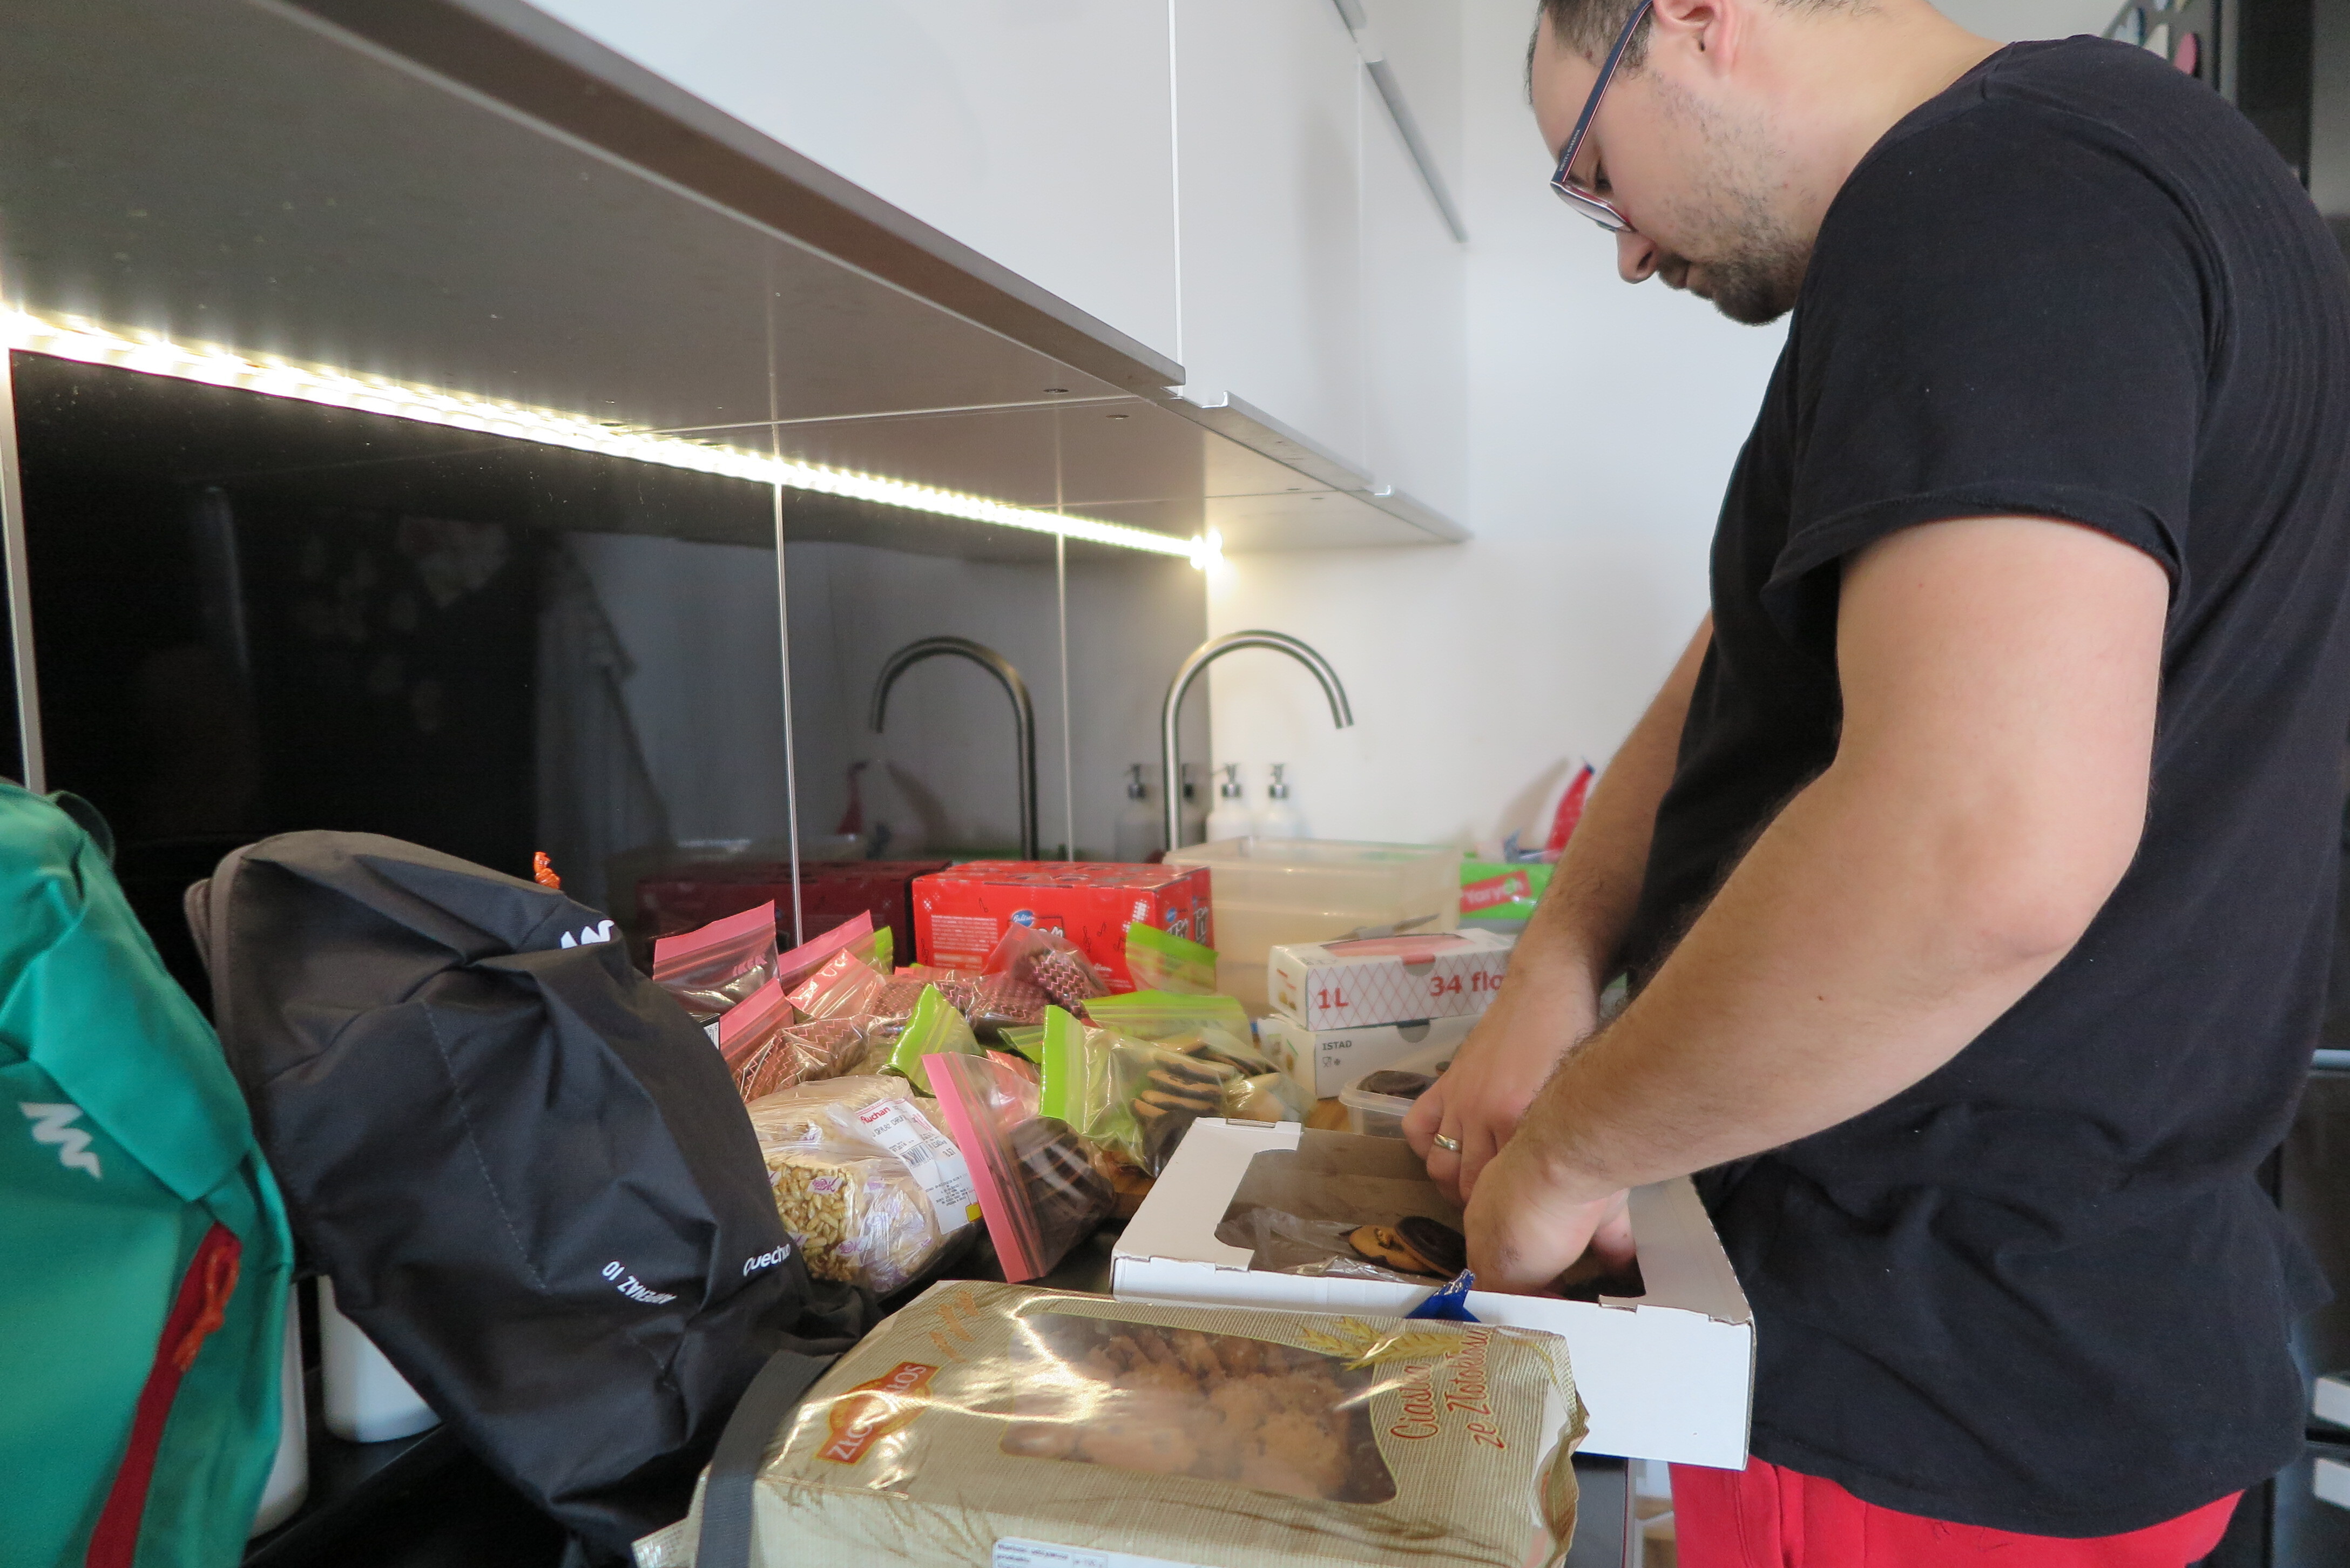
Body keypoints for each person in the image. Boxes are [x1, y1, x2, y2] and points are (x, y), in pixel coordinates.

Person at [1403, 1, 2350, 1563]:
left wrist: (1577, 1150)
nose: (1624, 249)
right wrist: (1558, 961)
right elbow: (1748, 648)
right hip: (2061, 1338)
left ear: (1694, 19)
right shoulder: (2105, 172)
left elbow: (1979, 858)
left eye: (1594, 170)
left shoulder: (1993, 197)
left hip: (1933, 1383)